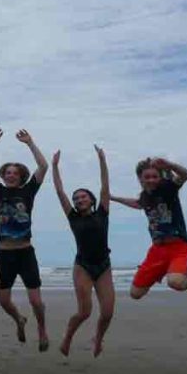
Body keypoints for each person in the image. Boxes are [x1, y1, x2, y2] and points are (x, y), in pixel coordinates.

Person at [0, 126, 50, 351]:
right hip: (5, 254)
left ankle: (41, 329)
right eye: (7, 172)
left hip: (25, 253)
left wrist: (30, 143)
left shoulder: (28, 191)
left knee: (36, 301)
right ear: (3, 176)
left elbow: (43, 166)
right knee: (3, 300)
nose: (10, 175)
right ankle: (19, 319)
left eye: (14, 173)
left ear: (20, 177)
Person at [109, 156, 187, 300]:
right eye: (147, 177)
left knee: (175, 282)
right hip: (157, 250)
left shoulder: (168, 188)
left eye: (155, 176)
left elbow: (186, 175)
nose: (151, 180)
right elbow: (137, 204)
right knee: (135, 293)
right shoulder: (146, 196)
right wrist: (113, 198)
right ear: (140, 178)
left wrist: (169, 165)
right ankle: (165, 270)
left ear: (160, 177)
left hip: (178, 247)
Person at [52, 145, 115, 357]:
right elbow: (60, 191)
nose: (79, 200)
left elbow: (105, 186)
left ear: (91, 200)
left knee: (107, 313)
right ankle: (68, 337)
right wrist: (54, 167)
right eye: (76, 198)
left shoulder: (102, 213)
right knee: (85, 312)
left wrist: (102, 159)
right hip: (83, 266)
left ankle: (98, 338)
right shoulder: (73, 217)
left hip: (103, 265)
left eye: (83, 197)